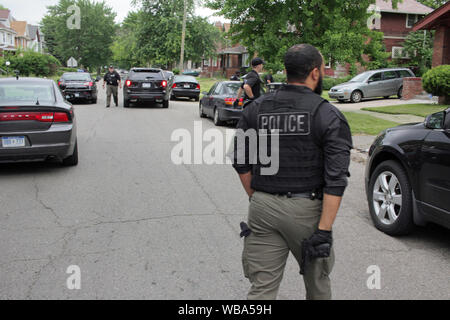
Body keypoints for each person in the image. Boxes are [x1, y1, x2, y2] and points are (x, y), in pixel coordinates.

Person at [232, 44, 353, 300]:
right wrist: (323, 230)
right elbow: (336, 179)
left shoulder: (256, 109)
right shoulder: (327, 115)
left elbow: (240, 160)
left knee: (261, 289)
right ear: (315, 73)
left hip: (263, 208)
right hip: (306, 212)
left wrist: (257, 196)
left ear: (286, 72)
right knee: (317, 286)